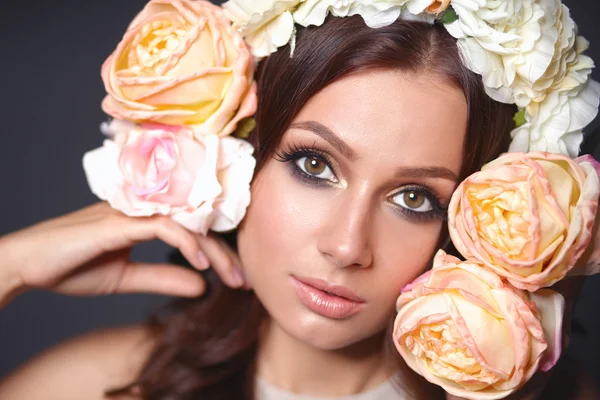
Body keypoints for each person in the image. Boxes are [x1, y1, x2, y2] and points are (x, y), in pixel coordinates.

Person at [0, 1, 598, 399]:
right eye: (314, 165)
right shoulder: (95, 386)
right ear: (237, 155)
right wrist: (12, 266)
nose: (345, 246)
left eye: (415, 198)